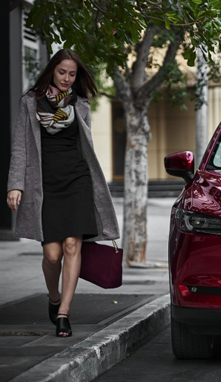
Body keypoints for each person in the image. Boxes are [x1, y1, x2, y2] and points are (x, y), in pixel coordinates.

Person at [6, 49, 120, 337]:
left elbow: (86, 147)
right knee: (52, 255)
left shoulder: (80, 104)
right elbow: (20, 146)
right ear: (52, 71)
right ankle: (54, 296)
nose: (67, 78)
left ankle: (63, 314)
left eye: (72, 74)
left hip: (77, 179)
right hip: (45, 184)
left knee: (72, 245)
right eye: (62, 72)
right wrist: (15, 184)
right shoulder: (31, 102)